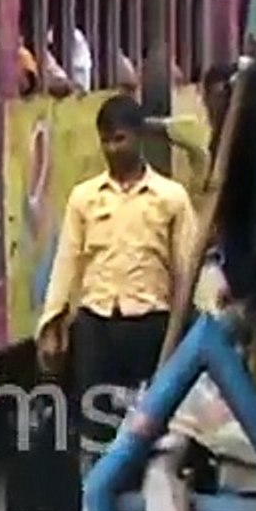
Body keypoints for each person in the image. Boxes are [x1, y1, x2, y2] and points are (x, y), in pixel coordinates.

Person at [35, 94, 199, 472]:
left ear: (138, 137)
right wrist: (53, 320)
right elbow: (67, 261)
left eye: (120, 139)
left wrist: (188, 329)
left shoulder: (171, 198)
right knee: (95, 423)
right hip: (97, 325)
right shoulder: (84, 198)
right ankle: (97, 495)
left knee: (149, 424)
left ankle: (143, 492)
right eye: (106, 141)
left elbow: (186, 270)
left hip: (151, 325)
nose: (113, 149)